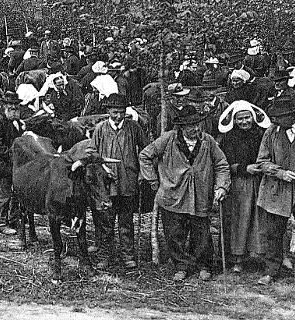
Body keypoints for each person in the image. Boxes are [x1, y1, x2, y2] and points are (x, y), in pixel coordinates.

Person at [139, 105, 230, 281]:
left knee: (201, 233)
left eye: (198, 124)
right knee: (174, 234)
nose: (196, 128)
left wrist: (221, 187)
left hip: (200, 195)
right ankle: (181, 265)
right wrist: (153, 181)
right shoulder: (168, 139)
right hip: (173, 195)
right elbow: (145, 156)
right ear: (181, 127)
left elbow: (222, 165)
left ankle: (204, 265)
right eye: (190, 125)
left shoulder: (208, 141)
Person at [84, 93, 148, 268]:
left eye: (121, 112)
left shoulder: (133, 128)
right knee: (106, 223)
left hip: (128, 181)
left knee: (126, 222)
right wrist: (103, 168)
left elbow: (146, 150)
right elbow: (91, 152)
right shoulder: (100, 129)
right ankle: (105, 256)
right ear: (108, 111)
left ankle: (128, 256)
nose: (118, 116)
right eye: (114, 112)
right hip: (106, 185)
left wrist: (143, 171)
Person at [255, 94, 295, 285]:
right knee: (273, 230)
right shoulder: (271, 132)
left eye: (281, 117)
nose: (277, 121)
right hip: (277, 188)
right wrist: (280, 172)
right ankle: (271, 270)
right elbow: (262, 162)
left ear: (292, 116)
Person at [218, 100, 270, 272]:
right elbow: (224, 163)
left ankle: (260, 255)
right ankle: (237, 259)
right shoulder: (229, 138)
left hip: (261, 182)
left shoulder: (262, 134)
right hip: (239, 184)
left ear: (253, 117)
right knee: (239, 220)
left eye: (247, 117)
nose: (244, 122)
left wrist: (261, 167)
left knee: (259, 219)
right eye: (240, 119)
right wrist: (243, 168)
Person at [0, 91, 24, 235]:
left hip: (15, 165)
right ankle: (2, 223)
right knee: (5, 196)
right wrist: (11, 154)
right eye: (11, 105)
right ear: (5, 106)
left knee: (16, 194)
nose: (14, 108)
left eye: (16, 105)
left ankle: (14, 220)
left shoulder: (18, 123)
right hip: (3, 164)